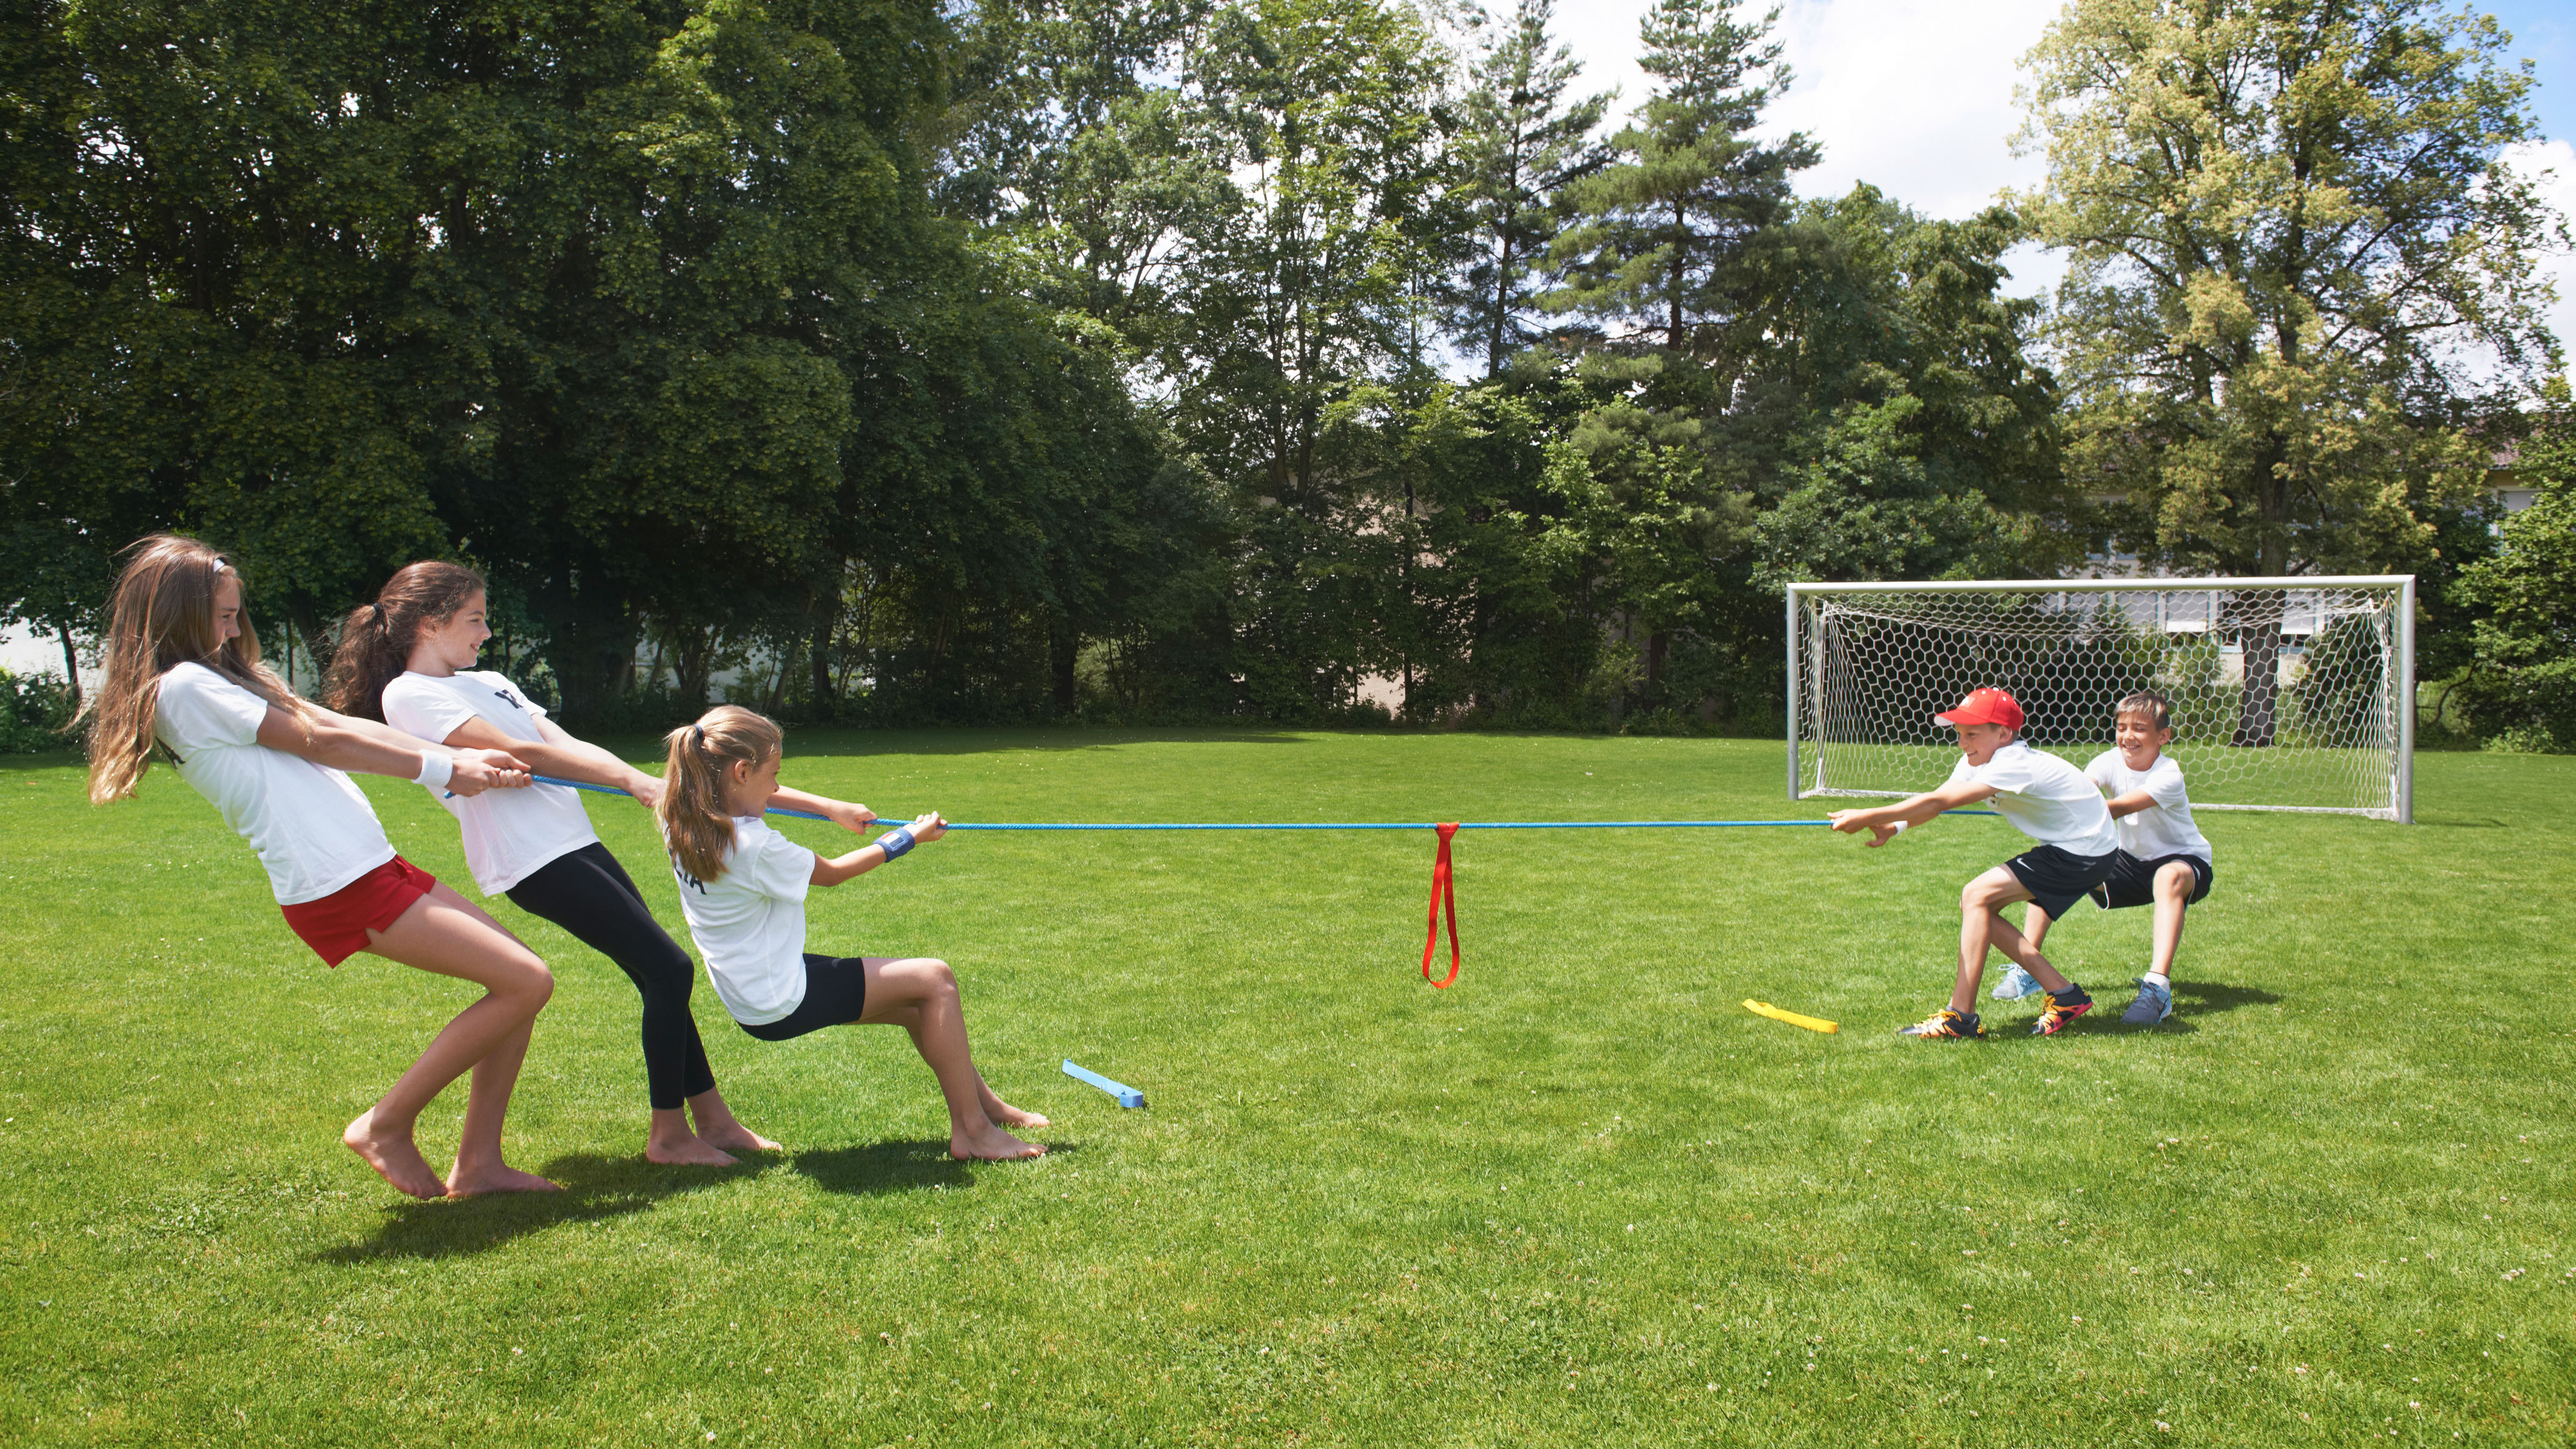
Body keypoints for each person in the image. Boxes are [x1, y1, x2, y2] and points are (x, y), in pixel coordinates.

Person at [82, 535, 557, 1198]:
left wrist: (455, 756)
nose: (232, 628)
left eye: (235, 614)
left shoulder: (221, 677)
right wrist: (450, 767)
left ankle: (478, 1164)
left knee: (523, 987)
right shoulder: (185, 687)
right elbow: (320, 740)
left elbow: (336, 726)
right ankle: (385, 1125)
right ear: (176, 613)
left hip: (367, 865)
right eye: (222, 615)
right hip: (337, 882)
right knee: (525, 982)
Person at [325, 563, 823, 1165]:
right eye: (474, 619)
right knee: (668, 969)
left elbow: (558, 743)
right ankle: (669, 1136)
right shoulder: (408, 693)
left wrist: (641, 780)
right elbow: (521, 753)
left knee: (657, 972)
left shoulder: (491, 680)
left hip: (572, 839)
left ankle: (713, 1121)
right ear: (429, 623)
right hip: (531, 861)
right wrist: (626, 778)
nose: (485, 632)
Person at [657, 705, 1049, 1161]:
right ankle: (974, 1132)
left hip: (751, 990)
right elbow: (833, 873)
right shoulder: (753, 847)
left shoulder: (681, 812)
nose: (779, 786)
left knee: (913, 1005)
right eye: (774, 774)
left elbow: (738, 792)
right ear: (742, 772)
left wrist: (826, 807)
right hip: (780, 997)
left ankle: (985, 1106)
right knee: (935, 980)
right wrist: (907, 838)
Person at [1828, 686, 2117, 1040]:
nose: (1963, 743)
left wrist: (1870, 813)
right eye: (1960, 734)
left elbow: (1938, 802)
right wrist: (1895, 826)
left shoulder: (2014, 762)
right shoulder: (1975, 760)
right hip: (2075, 847)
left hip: (2086, 851)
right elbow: (1939, 800)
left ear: (2004, 734)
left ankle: (1960, 1017)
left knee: (1976, 895)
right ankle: (2064, 995)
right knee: (1977, 902)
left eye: (1972, 734)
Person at [1993, 689, 2211, 1026]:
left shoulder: (2169, 775)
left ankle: (2157, 988)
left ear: (2163, 737)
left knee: (2168, 877)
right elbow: (2082, 792)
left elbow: (2111, 808)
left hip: (2183, 862)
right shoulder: (2107, 761)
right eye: (2122, 727)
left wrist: (2061, 810)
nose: (2128, 736)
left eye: (2139, 728)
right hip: (2128, 864)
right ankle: (2028, 969)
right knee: (2056, 867)